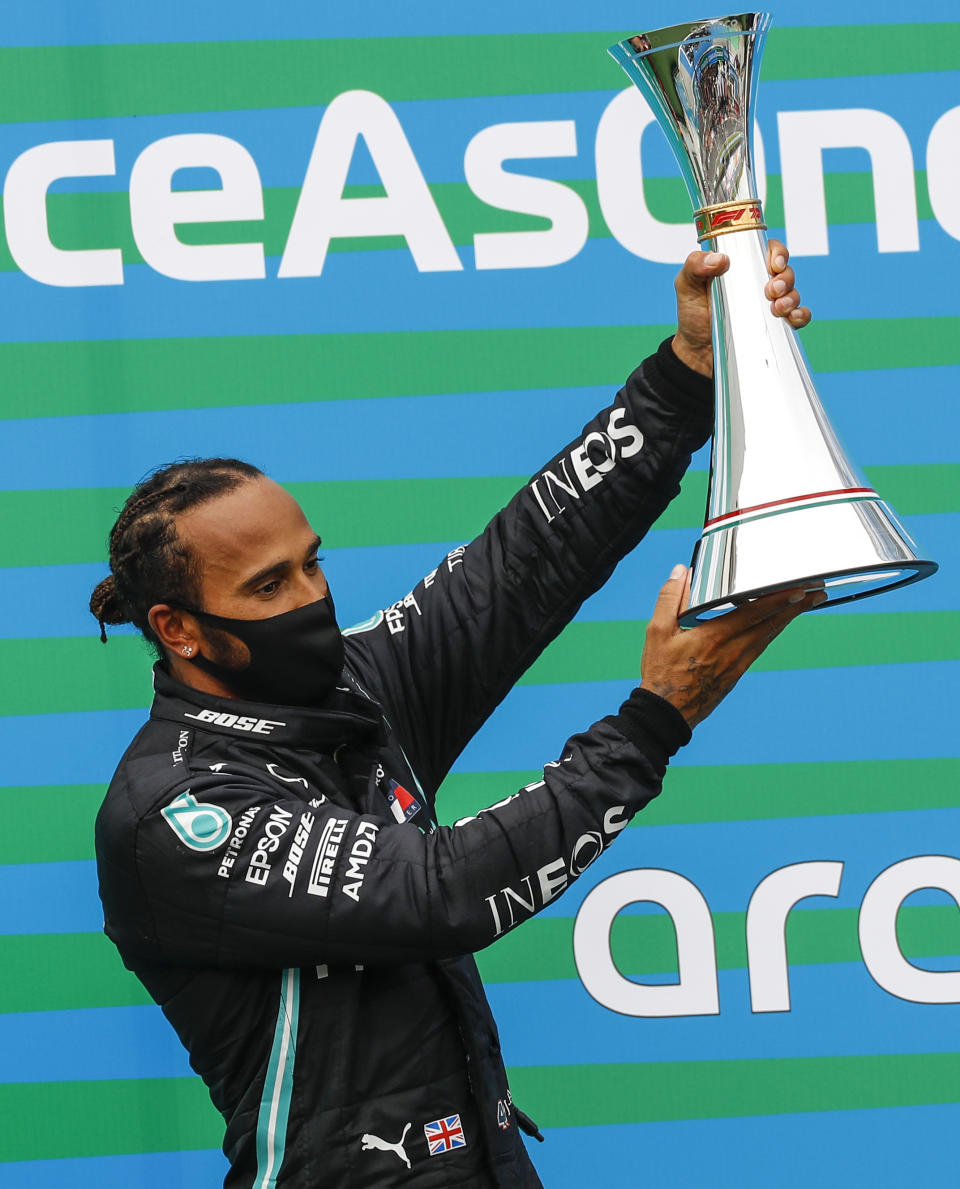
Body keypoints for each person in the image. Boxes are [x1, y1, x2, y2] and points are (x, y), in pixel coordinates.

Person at [92, 242, 814, 1189]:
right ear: (178, 629)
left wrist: (685, 380)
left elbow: (523, 563)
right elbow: (437, 893)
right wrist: (651, 722)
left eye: (313, 561)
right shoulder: (174, 811)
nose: (312, 595)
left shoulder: (354, 689)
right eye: (269, 585)